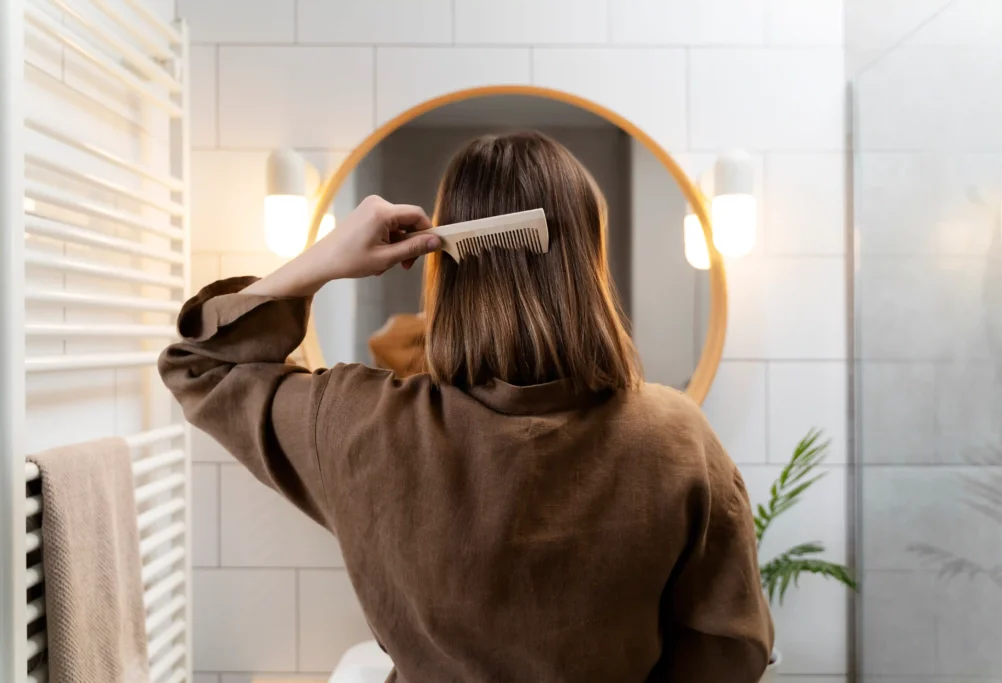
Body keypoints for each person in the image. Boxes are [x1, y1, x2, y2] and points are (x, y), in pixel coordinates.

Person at [159, 131, 773, 682]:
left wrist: (317, 263)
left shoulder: (355, 422)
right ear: (588, 265)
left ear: (444, 267)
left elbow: (198, 367)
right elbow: (733, 647)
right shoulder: (675, 438)